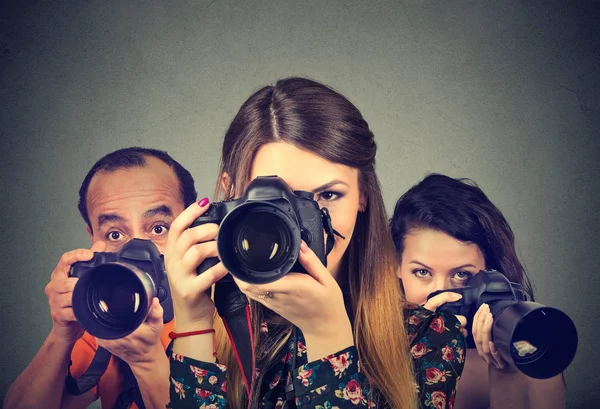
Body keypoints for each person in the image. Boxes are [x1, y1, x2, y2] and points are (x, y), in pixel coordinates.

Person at [164, 77, 466, 409]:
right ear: (232, 193)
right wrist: (192, 323)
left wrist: (329, 335)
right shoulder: (221, 321)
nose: (300, 224)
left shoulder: (428, 336)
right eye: (278, 200)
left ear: (362, 194)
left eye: (328, 195)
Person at [4, 147, 197, 409]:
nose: (138, 249)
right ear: (92, 239)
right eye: (115, 234)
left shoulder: (233, 314)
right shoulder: (105, 314)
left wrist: (146, 361)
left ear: (190, 223)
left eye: (158, 228)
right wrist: (61, 335)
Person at [389, 173, 566, 409]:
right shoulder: (371, 344)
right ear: (396, 266)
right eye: (422, 272)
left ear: (489, 272)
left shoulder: (533, 344)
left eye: (461, 275)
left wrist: (506, 374)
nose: (441, 294)